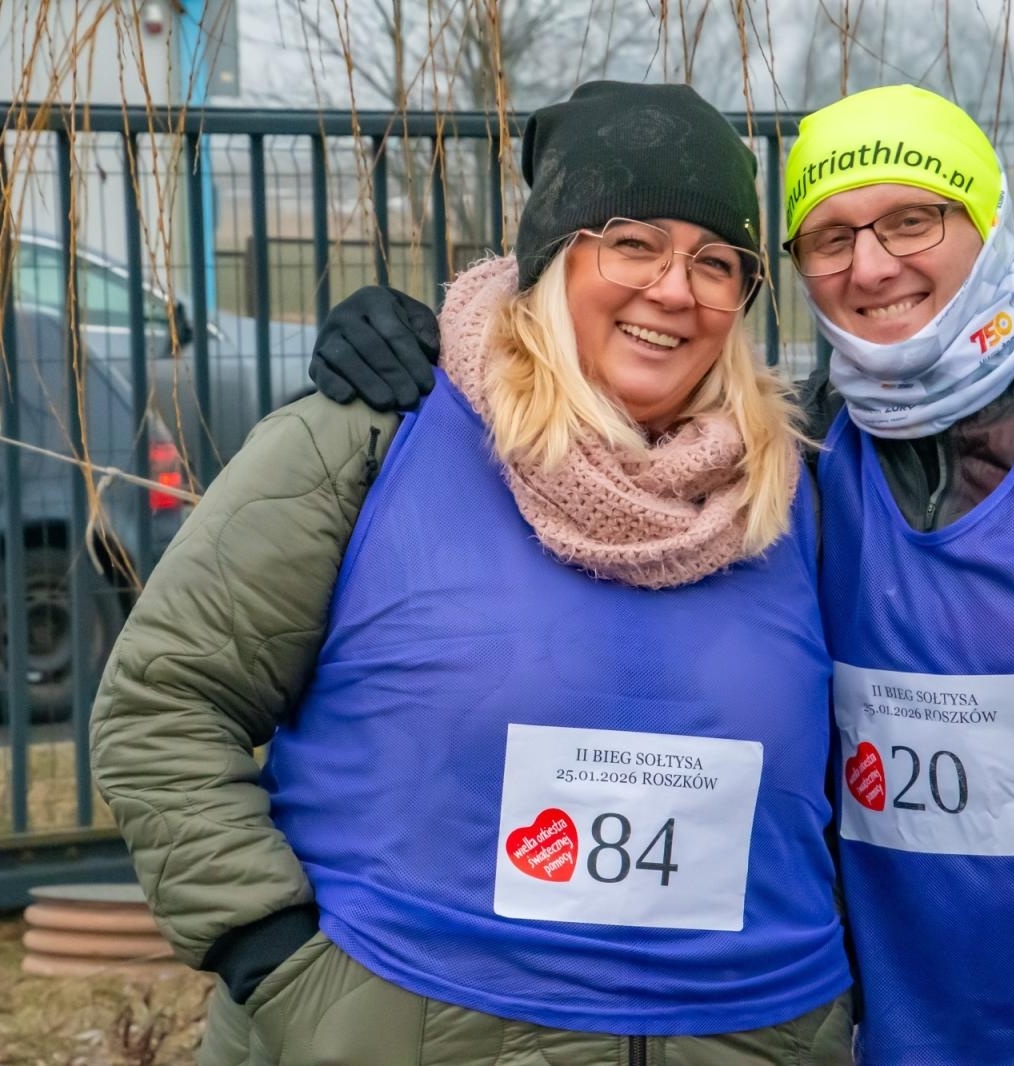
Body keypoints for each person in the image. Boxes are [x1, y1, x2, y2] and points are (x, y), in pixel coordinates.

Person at [316, 83, 1014, 1066]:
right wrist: (430, 339)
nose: (872, 265)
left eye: (912, 221)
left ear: (986, 221)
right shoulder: (809, 460)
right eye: (829, 238)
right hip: (917, 1040)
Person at [90, 80, 854, 1065]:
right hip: (415, 1023)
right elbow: (164, 705)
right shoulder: (370, 440)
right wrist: (281, 966)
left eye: (716, 261)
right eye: (632, 242)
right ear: (551, 257)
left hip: (750, 1031)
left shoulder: (795, 487)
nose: (674, 288)